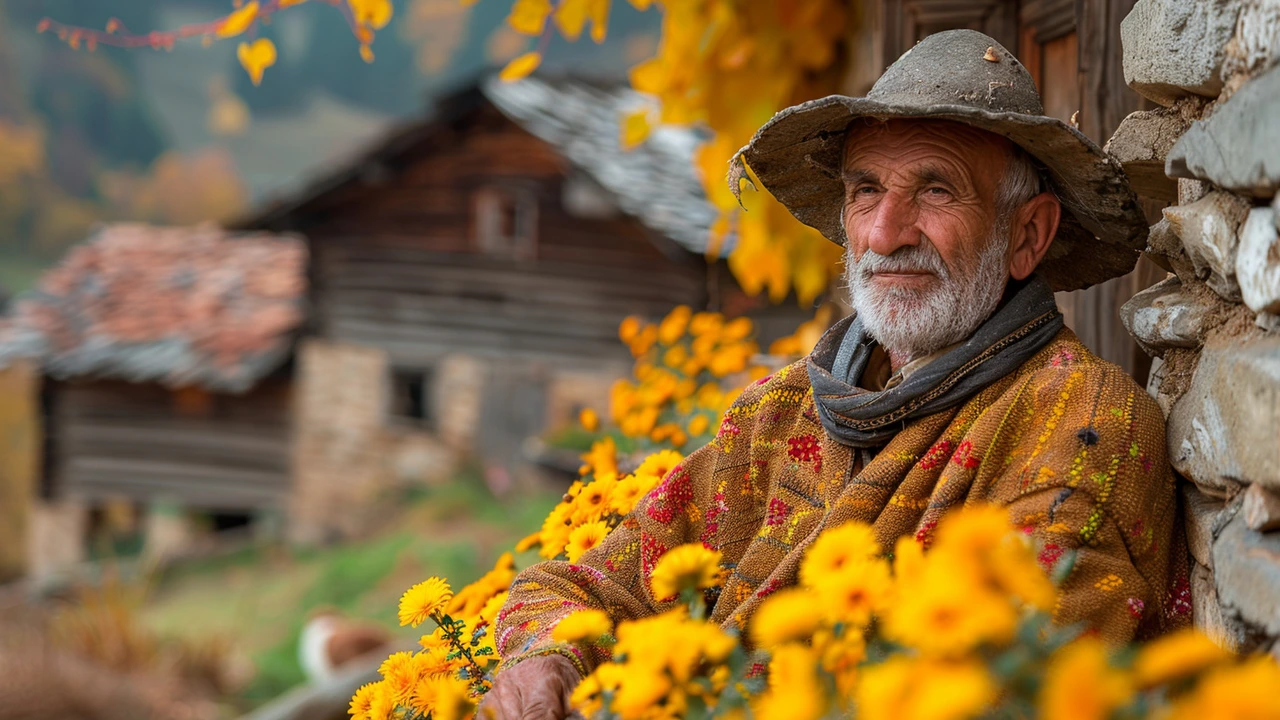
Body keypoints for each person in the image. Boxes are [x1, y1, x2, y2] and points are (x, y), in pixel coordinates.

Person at [479, 29, 1188, 719]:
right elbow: (591, 584)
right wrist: (549, 661)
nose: (885, 233)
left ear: (1027, 235)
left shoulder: (1084, 420)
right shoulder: (782, 411)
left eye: (936, 191)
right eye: (865, 190)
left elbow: (1000, 686)